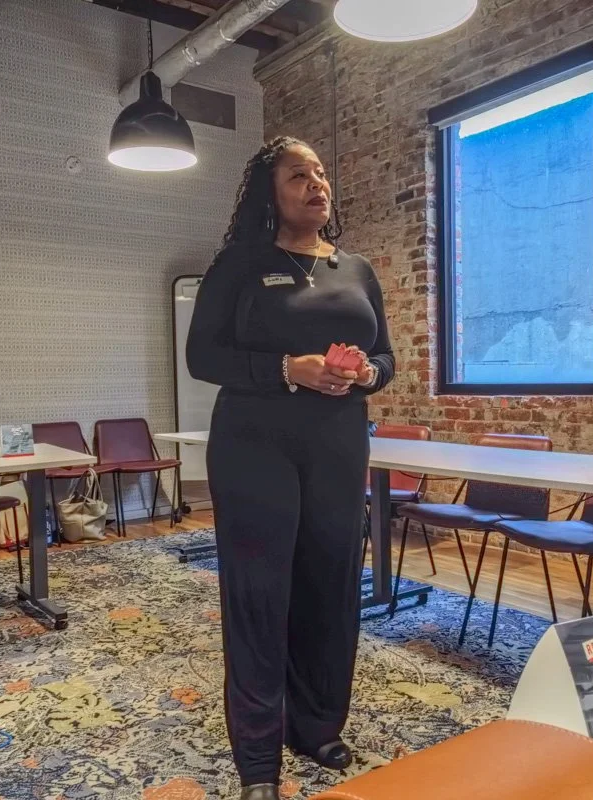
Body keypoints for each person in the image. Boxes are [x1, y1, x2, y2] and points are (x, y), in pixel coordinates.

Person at [186, 136, 395, 800]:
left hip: (337, 445)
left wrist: (366, 372)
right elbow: (203, 358)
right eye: (297, 175)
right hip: (254, 443)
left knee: (330, 587)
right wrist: (285, 369)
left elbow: (385, 359)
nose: (315, 183)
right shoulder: (238, 265)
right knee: (259, 594)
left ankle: (315, 726)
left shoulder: (356, 270)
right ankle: (257, 760)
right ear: (268, 194)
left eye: (320, 173)